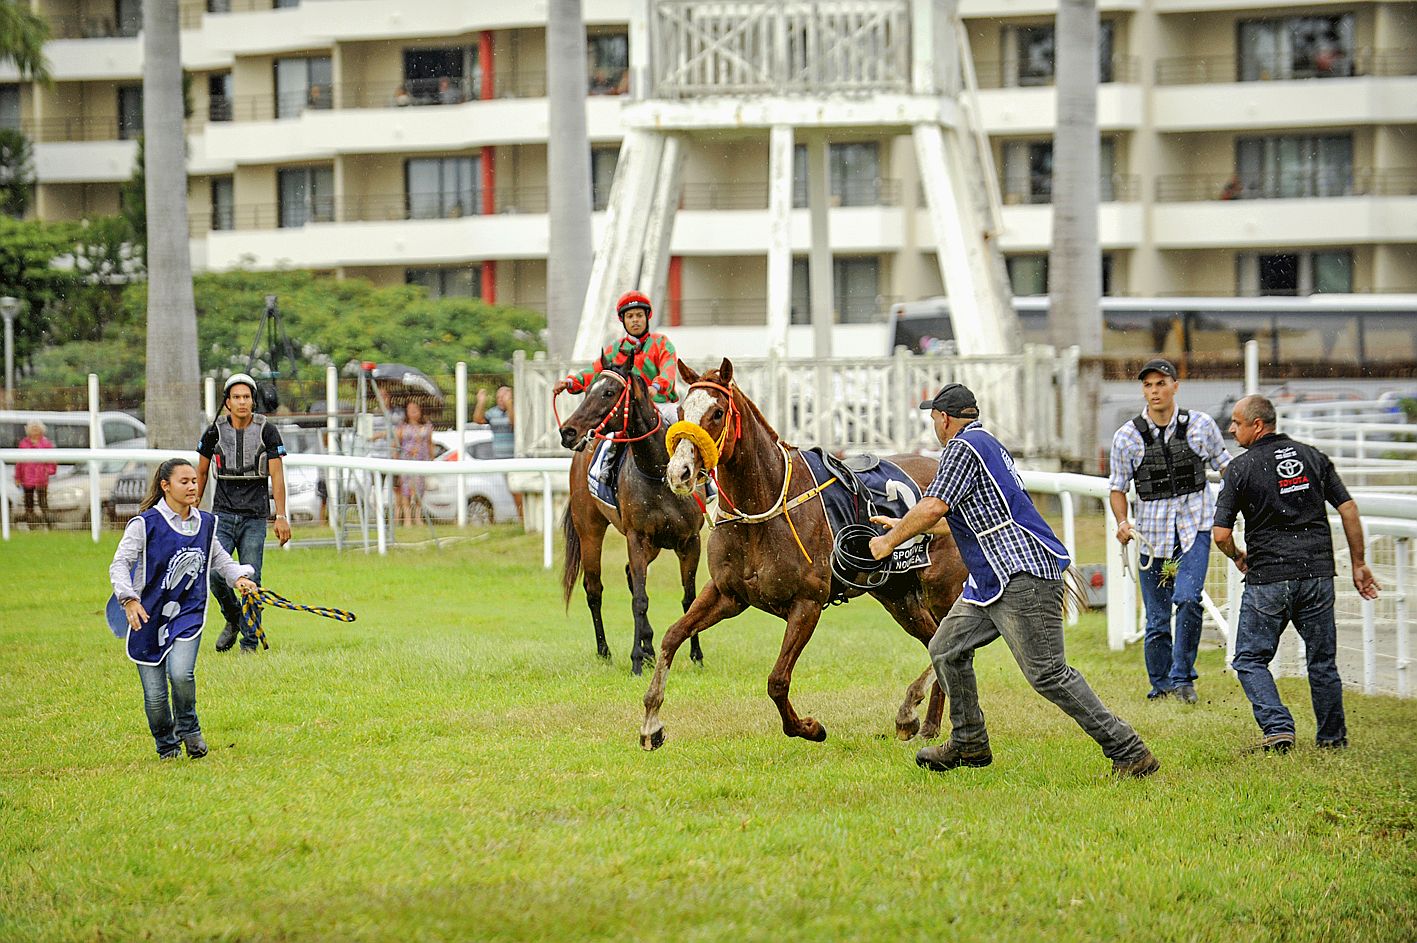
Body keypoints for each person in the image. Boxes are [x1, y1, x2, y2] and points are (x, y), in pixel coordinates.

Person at [869, 383, 1160, 779]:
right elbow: (963, 521)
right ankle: (969, 742)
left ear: (944, 418)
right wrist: (902, 526)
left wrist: (888, 541)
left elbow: (934, 505)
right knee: (946, 648)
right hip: (996, 578)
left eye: (934, 416)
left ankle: (1130, 750)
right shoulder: (986, 444)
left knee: (1049, 674)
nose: (934, 423)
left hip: (1020, 573)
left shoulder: (961, 448)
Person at [1213, 395, 1380, 753]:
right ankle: (1332, 738)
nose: (1230, 429)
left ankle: (1277, 727)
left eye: (1236, 423)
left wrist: (1238, 557)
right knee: (1322, 662)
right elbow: (1348, 508)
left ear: (1258, 425)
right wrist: (1359, 563)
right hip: (1317, 574)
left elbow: (1220, 535)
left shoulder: (1239, 469)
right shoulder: (1312, 456)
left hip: (1269, 578)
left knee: (1249, 658)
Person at [108, 458, 258, 759]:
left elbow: (220, 560)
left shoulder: (205, 524)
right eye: (184, 481)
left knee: (181, 674)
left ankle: (189, 729)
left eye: (194, 481)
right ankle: (166, 746)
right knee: (155, 696)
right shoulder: (144, 524)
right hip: (146, 616)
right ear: (166, 486)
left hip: (187, 613)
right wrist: (129, 599)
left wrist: (239, 577)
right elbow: (120, 564)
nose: (192, 487)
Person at [1109, 358, 1231, 703]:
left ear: (1175, 385)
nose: (1154, 391)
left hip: (1195, 528)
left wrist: (1234, 509)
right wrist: (1122, 523)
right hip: (1152, 535)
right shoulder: (1127, 437)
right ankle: (1160, 684)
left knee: (1188, 600)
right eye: (1148, 385)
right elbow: (1117, 487)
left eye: (1161, 383)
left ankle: (1183, 678)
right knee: (1158, 617)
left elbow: (1226, 468)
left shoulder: (1201, 426)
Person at [197, 373, 291, 654]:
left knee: (251, 580)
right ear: (227, 402)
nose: (242, 402)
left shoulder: (267, 431)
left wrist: (281, 516)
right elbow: (200, 472)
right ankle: (234, 618)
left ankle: (249, 645)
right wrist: (188, 513)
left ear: (253, 401)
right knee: (215, 574)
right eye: (236, 397)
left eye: (246, 397)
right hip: (222, 515)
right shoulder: (214, 431)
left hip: (254, 517)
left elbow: (277, 475)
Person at [553, 291, 680, 492]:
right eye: (630, 316)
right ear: (623, 321)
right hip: (630, 410)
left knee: (684, 425)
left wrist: (655, 388)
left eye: (639, 315)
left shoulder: (661, 343)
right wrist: (570, 383)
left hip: (662, 406)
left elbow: (669, 370)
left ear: (647, 317)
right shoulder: (616, 350)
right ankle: (606, 472)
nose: (635, 320)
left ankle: (703, 478)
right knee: (612, 435)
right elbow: (593, 374)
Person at [474, 383, 522, 518]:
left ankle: (523, 518)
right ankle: (521, 518)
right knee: (512, 490)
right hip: (501, 458)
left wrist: (509, 405)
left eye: (504, 396)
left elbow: (514, 423)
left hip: (515, 458)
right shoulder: (493, 412)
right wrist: (481, 402)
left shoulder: (515, 410)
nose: (501, 399)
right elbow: (478, 419)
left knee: (517, 489)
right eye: (498, 396)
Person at [393, 398, 434, 528]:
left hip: (421, 462)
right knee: (405, 490)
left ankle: (418, 517)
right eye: (410, 410)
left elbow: (430, 444)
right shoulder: (403, 427)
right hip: (406, 462)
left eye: (415, 410)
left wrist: (432, 459)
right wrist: (395, 460)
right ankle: (407, 519)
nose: (413, 412)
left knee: (419, 490)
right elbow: (396, 444)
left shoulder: (426, 427)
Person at [15, 420, 57, 529]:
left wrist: (48, 470)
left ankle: (49, 526)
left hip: (41, 479)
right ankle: (32, 526)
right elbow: (19, 462)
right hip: (27, 479)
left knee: (43, 503)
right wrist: (18, 477)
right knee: (28, 504)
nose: (35, 430)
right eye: (32, 428)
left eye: (37, 428)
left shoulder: (46, 444)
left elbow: (52, 461)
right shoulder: (23, 444)